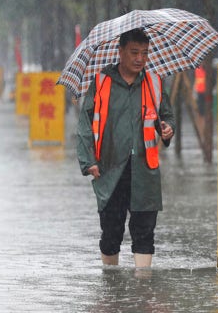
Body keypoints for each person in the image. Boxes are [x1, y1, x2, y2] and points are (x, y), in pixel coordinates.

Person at [76, 28, 176, 268]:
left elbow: (168, 116)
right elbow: (84, 125)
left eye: (144, 53)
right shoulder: (101, 82)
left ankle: (142, 292)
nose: (140, 58)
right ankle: (112, 290)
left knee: (144, 233)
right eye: (134, 52)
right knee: (111, 233)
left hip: (145, 170)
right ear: (120, 52)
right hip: (110, 169)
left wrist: (167, 129)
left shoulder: (154, 82)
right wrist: (88, 161)